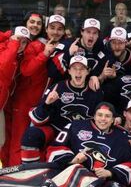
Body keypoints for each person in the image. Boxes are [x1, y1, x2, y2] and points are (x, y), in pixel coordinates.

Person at [30, 102, 131, 187]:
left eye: (107, 116)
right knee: (77, 170)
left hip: (101, 183)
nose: (103, 119)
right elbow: (55, 148)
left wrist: (111, 172)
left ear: (113, 119)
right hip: (75, 177)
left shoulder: (122, 136)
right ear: (94, 116)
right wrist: (73, 160)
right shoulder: (75, 126)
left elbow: (130, 163)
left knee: (113, 186)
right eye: (100, 115)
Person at [3, 15, 66, 167]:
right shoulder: (35, 45)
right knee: (17, 142)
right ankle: (13, 177)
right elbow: (26, 70)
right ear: (47, 29)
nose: (55, 32)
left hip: (43, 104)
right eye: (52, 28)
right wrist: (44, 54)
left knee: (30, 141)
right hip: (23, 102)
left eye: (59, 29)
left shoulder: (63, 47)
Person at [20, 55, 103, 164]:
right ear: (69, 71)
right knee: (31, 134)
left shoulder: (95, 91)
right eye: (74, 69)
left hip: (82, 135)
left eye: (82, 69)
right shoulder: (57, 88)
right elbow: (36, 119)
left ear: (88, 72)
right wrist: (47, 104)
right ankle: (30, 172)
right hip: (56, 130)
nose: (78, 72)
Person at [0, 26, 31, 167]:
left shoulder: (17, 55)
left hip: (2, 103)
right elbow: (4, 68)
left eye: (24, 42)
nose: (20, 44)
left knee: (1, 140)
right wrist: (12, 43)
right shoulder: (4, 48)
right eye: (18, 40)